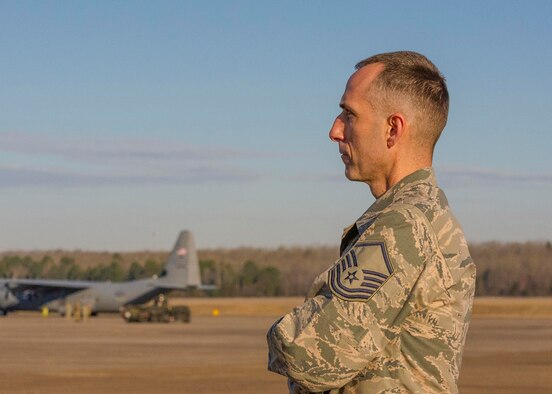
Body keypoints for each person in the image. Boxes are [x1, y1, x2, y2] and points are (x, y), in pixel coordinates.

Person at [267, 51, 476, 393]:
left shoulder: (403, 225)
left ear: (393, 129)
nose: (335, 130)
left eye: (349, 115)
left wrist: (284, 331)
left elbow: (313, 355)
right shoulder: (423, 213)